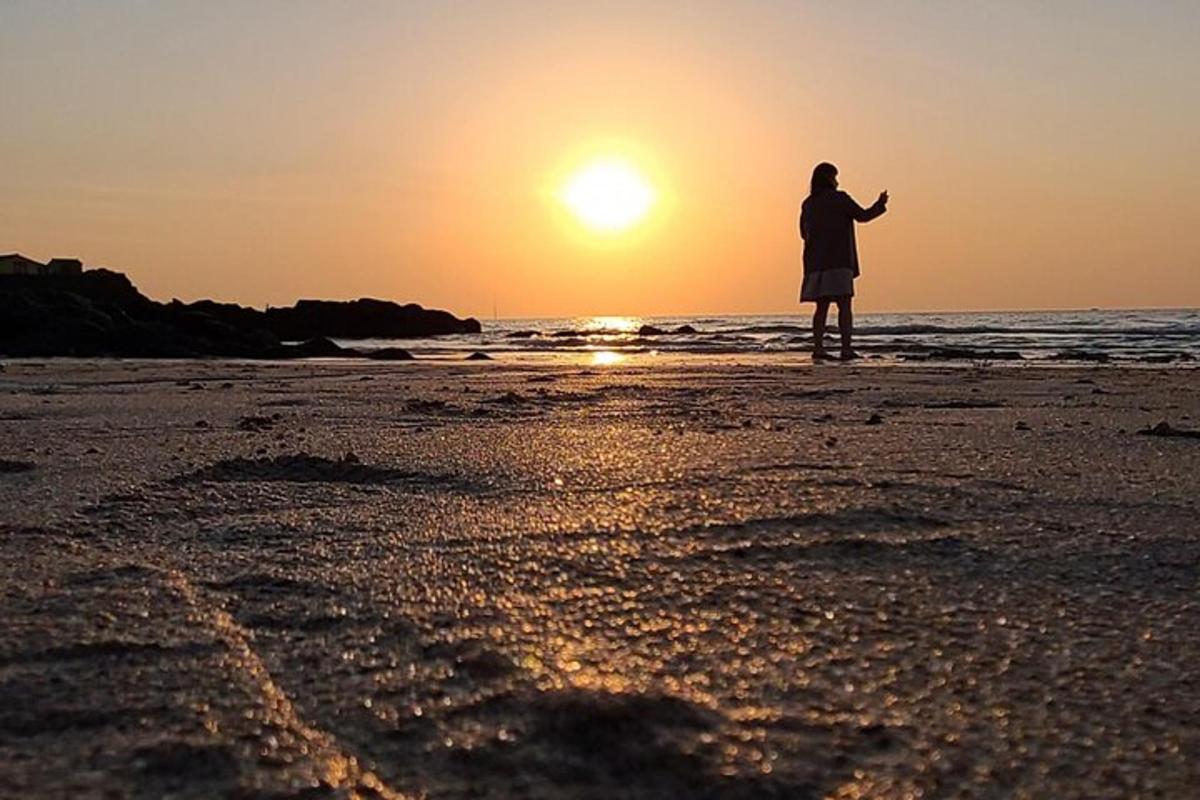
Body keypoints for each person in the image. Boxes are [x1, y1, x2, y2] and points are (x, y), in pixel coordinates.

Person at [798, 162, 888, 361]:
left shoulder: (808, 203)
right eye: (835, 176)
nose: (837, 181)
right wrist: (880, 205)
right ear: (829, 178)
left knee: (821, 307)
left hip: (816, 262)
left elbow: (803, 233)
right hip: (839, 260)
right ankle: (846, 348)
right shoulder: (839, 199)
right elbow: (863, 216)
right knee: (844, 305)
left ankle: (818, 348)